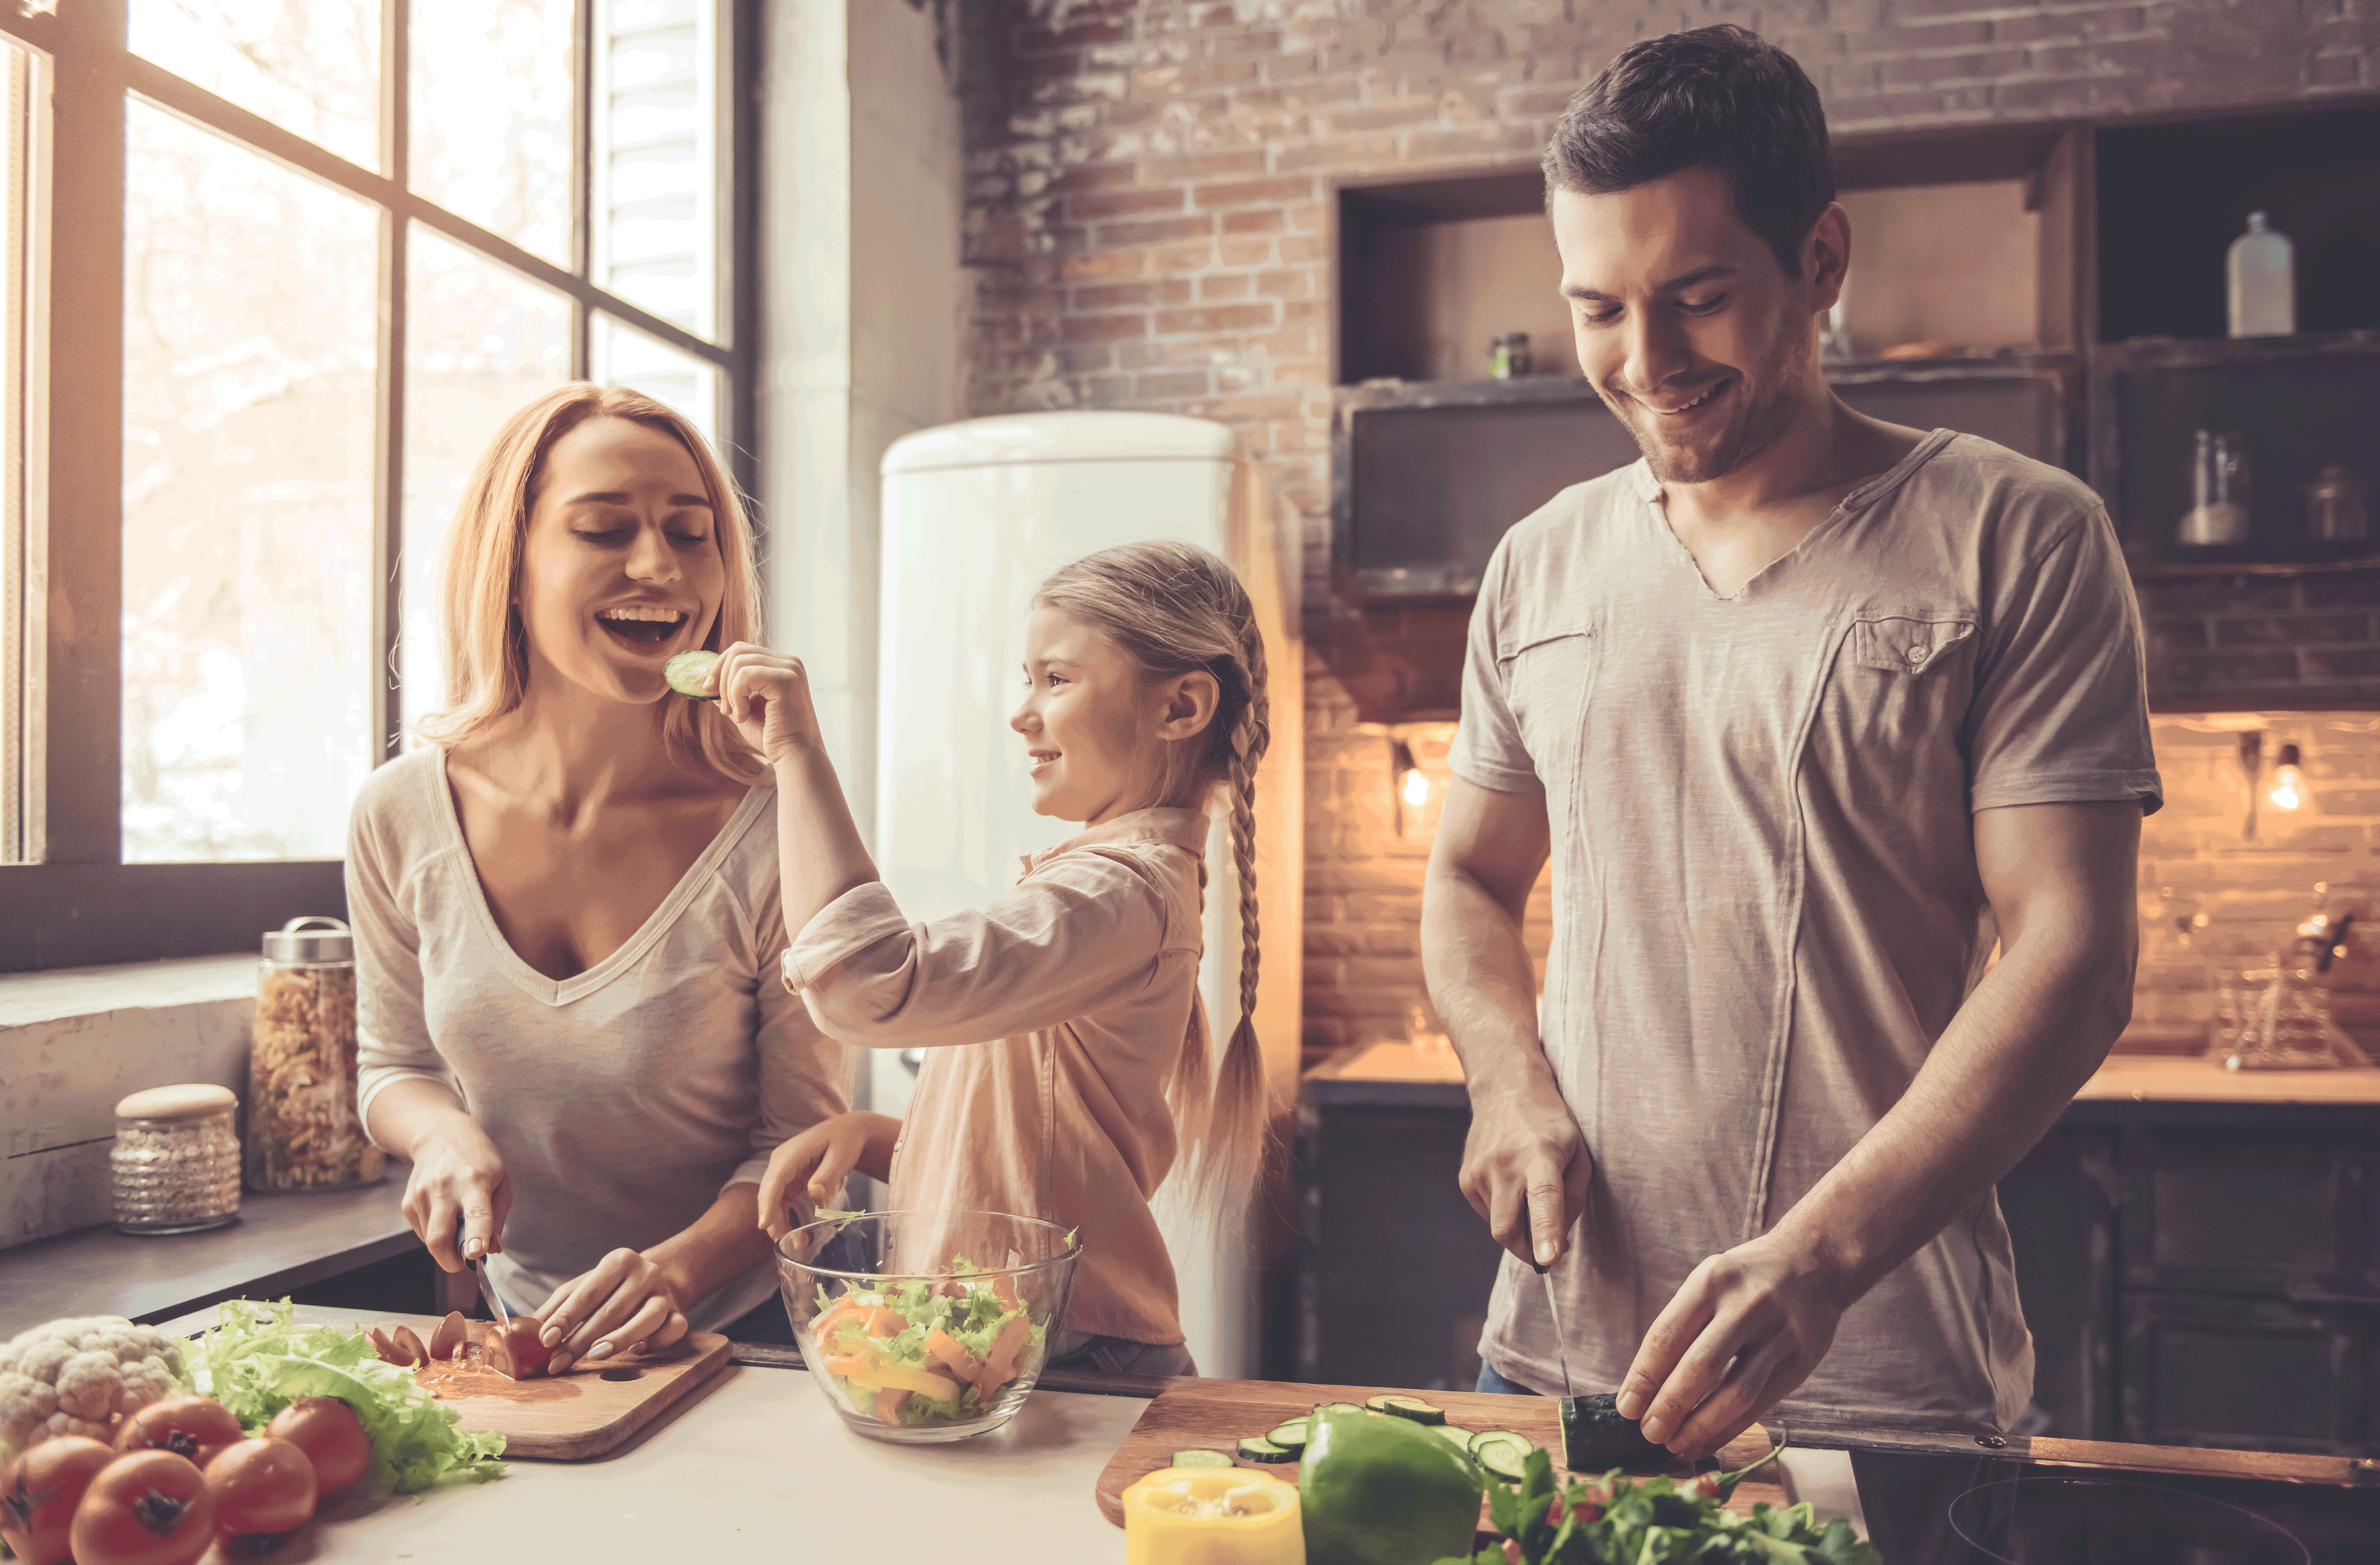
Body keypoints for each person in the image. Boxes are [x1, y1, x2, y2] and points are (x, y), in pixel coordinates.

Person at [1422, 25, 2159, 1461]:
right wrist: (1502, 1077)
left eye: (1697, 298)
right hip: (1565, 1353)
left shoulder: (2017, 536)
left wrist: (1817, 1257)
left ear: (1820, 260)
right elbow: (1465, 878)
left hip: (1880, 1381)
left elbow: (2074, 954)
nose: (1646, 364)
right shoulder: (1538, 564)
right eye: (1598, 310)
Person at [352, 384, 849, 1371]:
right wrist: (442, 1135)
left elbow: (806, 1149)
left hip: (756, 1340)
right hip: (525, 1334)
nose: (660, 568)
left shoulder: (770, 827)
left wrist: (672, 1275)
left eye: (692, 532)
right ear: (512, 564)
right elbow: (392, 1066)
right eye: (604, 529)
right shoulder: (398, 813)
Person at [723, 541, 1271, 1379]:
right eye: (1028, 678)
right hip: (1028, 1350)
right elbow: (1037, 1150)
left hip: (1073, 1362)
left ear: (1182, 708)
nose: (1023, 713)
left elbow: (868, 986)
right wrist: (879, 1140)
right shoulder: (1117, 891)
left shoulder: (1119, 893)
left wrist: (795, 751)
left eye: (1056, 680)